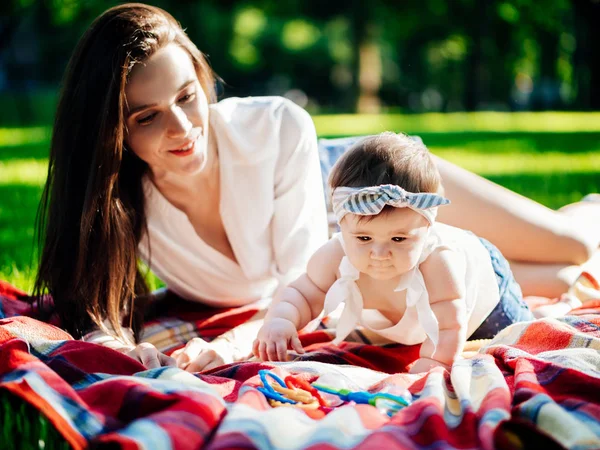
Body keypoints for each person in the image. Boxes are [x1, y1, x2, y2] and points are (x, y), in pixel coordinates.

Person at [34, 3, 599, 372]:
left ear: (203, 83)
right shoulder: (118, 205)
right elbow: (93, 306)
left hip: (370, 181)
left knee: (573, 246)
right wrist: (107, 342)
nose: (183, 129)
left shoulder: (276, 124)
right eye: (146, 117)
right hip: (365, 260)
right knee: (562, 278)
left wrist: (231, 345)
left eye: (187, 96)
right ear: (111, 131)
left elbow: (293, 281)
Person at [252, 133, 534, 372]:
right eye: (363, 237)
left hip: (485, 295)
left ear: (426, 228)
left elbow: (449, 325)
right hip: (403, 322)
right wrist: (280, 321)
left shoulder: (438, 262)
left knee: (517, 335)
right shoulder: (335, 255)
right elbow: (301, 294)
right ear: (342, 226)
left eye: (399, 238)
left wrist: (431, 364)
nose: (379, 252)